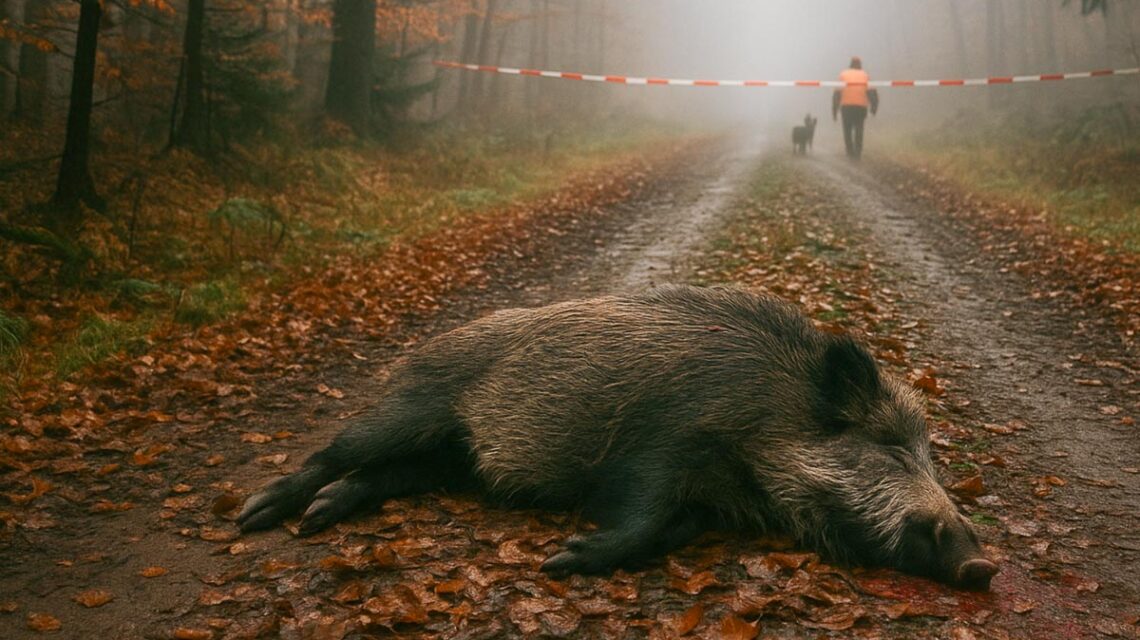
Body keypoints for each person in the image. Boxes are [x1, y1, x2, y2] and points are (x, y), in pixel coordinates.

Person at [832, 56, 879, 160]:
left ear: (850, 64)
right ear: (860, 64)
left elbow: (837, 94)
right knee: (859, 129)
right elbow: (872, 93)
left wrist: (834, 111)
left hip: (846, 107)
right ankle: (858, 152)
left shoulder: (843, 75)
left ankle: (850, 151)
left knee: (847, 129)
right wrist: (874, 108)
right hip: (860, 107)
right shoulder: (865, 75)